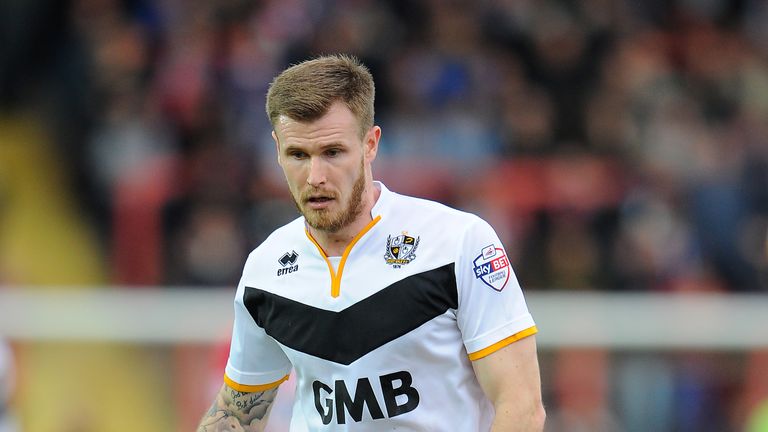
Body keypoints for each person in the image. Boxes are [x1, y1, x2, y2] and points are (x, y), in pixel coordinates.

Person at [197, 54, 545, 432]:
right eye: (297, 155)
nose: (315, 176)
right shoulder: (266, 270)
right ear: (276, 149)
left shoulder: (457, 243)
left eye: (333, 152)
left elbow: (521, 407)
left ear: (370, 144)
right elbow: (236, 415)